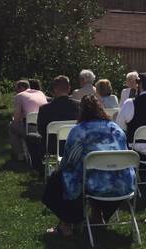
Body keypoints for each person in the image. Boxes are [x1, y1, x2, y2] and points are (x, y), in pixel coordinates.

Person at [42, 95, 136, 237]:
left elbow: (68, 161)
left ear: (81, 111)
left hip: (95, 186)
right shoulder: (116, 129)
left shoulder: (79, 131)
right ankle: (97, 216)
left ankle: (66, 224)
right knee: (99, 172)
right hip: (122, 185)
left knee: (58, 178)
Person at [25, 76, 80, 174]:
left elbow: (41, 130)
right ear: (69, 88)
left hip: (52, 146)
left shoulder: (45, 109)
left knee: (31, 137)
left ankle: (40, 170)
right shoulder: (80, 106)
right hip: (75, 144)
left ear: (54, 89)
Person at [7, 79, 47, 160]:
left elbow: (17, 118)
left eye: (16, 89)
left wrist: (14, 120)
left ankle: (20, 154)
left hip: (31, 130)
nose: (16, 91)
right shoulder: (40, 93)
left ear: (21, 87)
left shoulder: (20, 96)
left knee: (12, 126)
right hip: (45, 129)